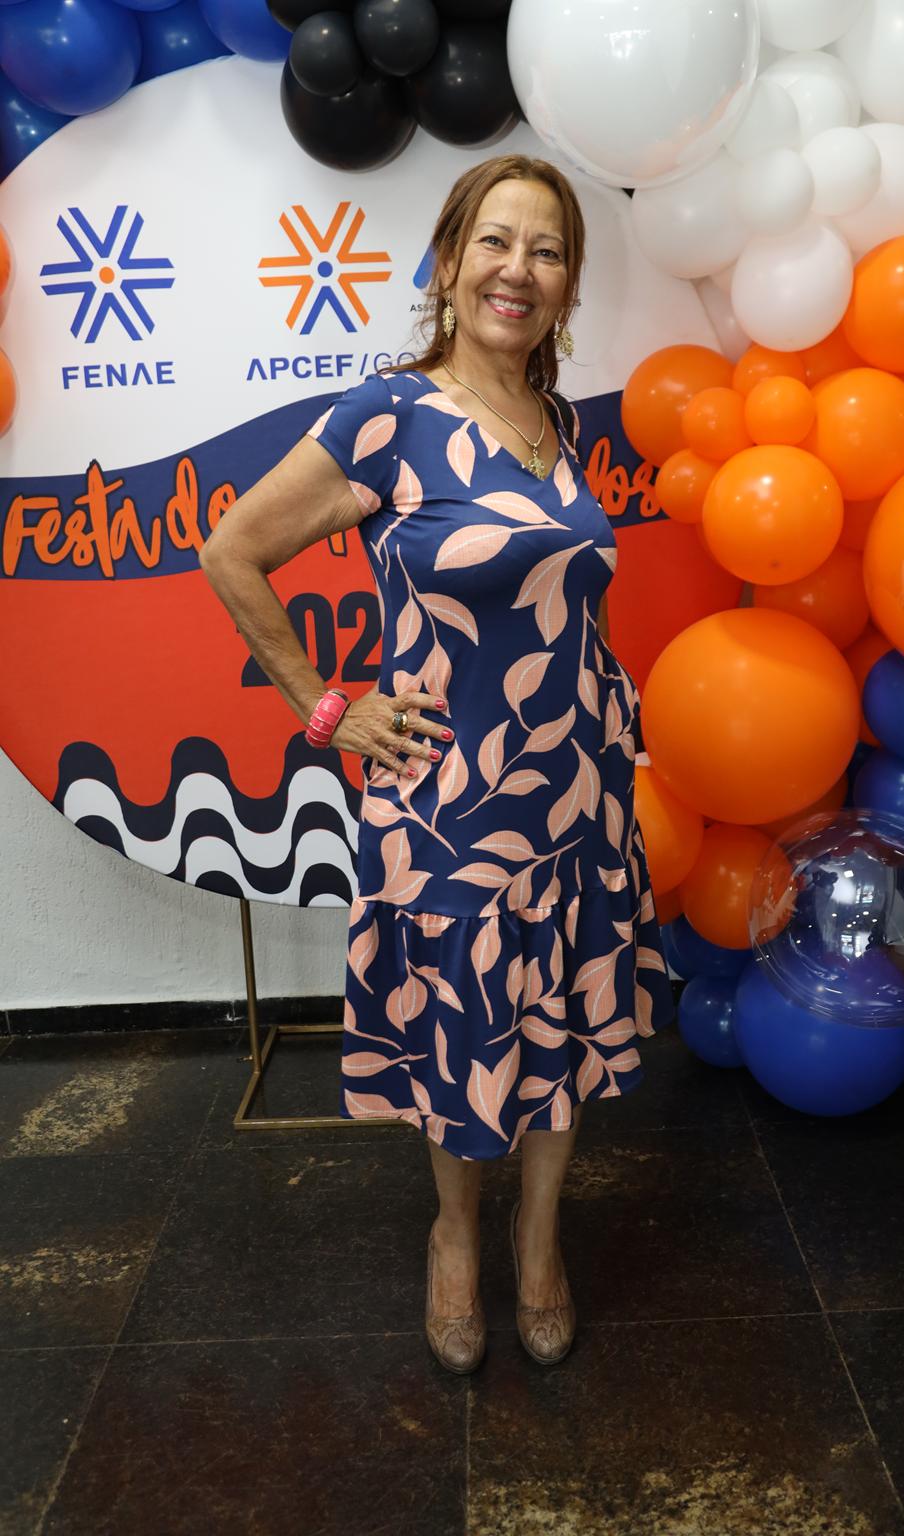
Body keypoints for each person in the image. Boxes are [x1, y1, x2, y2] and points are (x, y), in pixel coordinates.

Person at [200, 153, 674, 1375]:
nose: (520, 270)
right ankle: (455, 1234)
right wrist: (328, 709)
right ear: (450, 262)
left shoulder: (561, 424)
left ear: (567, 286)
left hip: (577, 787)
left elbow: (560, 602)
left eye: (548, 251)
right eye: (496, 243)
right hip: (451, 802)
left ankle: (538, 1239)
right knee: (463, 1025)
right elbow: (231, 550)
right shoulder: (388, 415)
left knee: (562, 1018)